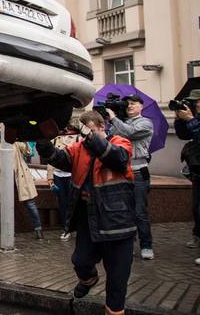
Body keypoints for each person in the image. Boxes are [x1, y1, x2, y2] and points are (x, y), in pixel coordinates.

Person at [36, 110, 135, 315]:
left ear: (101, 127)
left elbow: (118, 159)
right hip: (89, 220)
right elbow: (59, 158)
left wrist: (90, 137)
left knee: (117, 279)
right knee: (80, 261)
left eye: (90, 131)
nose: (85, 136)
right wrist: (43, 142)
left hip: (117, 223)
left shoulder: (120, 142)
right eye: (84, 133)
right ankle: (89, 278)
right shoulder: (79, 148)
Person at [106, 94, 155, 260]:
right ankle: (127, 245)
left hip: (138, 171)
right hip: (121, 171)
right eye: (127, 104)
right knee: (124, 212)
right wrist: (113, 118)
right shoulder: (120, 122)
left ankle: (146, 245)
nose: (129, 107)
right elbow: (111, 137)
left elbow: (130, 133)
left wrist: (114, 118)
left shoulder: (145, 122)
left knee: (140, 212)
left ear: (141, 106)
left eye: (133, 104)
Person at [0, 128, 44, 240]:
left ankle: (38, 229)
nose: (0, 130)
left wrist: (23, 137)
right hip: (4, 179)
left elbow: (28, 151)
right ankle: (9, 231)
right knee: (6, 206)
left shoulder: (14, 141)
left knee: (30, 204)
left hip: (20, 177)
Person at [174, 89, 200, 259]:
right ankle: (197, 235)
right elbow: (183, 135)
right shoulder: (194, 118)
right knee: (196, 208)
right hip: (197, 170)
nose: (194, 104)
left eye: (196, 101)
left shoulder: (195, 120)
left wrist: (191, 119)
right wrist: (179, 120)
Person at [47, 132, 77, 240]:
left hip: (72, 174)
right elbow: (50, 159)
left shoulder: (77, 137)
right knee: (63, 203)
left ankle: (77, 226)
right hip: (58, 175)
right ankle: (66, 229)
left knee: (73, 202)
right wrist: (50, 179)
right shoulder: (55, 138)